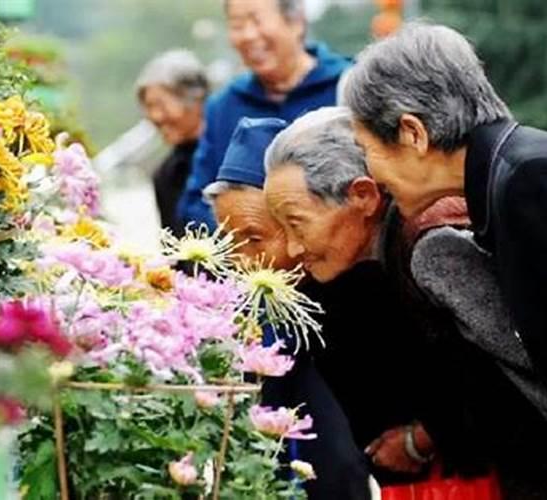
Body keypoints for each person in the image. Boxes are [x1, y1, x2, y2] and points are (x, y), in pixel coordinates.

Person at [264, 106, 547, 497]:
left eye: (296, 223)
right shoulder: (386, 255)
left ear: (363, 195)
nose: (293, 247)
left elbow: (533, 375)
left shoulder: (429, 247)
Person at [343, 22, 547, 396]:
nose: (370, 175)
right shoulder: (505, 178)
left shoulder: (528, 179)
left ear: (413, 134)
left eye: (366, 150)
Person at [203, 117, 372, 500]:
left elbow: (339, 467)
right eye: (228, 243)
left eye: (255, 238)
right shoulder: (252, 317)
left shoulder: (348, 307)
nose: (243, 262)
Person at [176, 0, 351, 230]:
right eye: (237, 25)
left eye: (256, 21)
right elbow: (195, 203)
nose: (248, 35)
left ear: (296, 22)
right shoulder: (223, 107)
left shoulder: (348, 86)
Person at [136, 49, 209, 237]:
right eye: (148, 107)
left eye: (161, 105)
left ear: (196, 99)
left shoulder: (227, 157)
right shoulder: (165, 174)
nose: (155, 116)